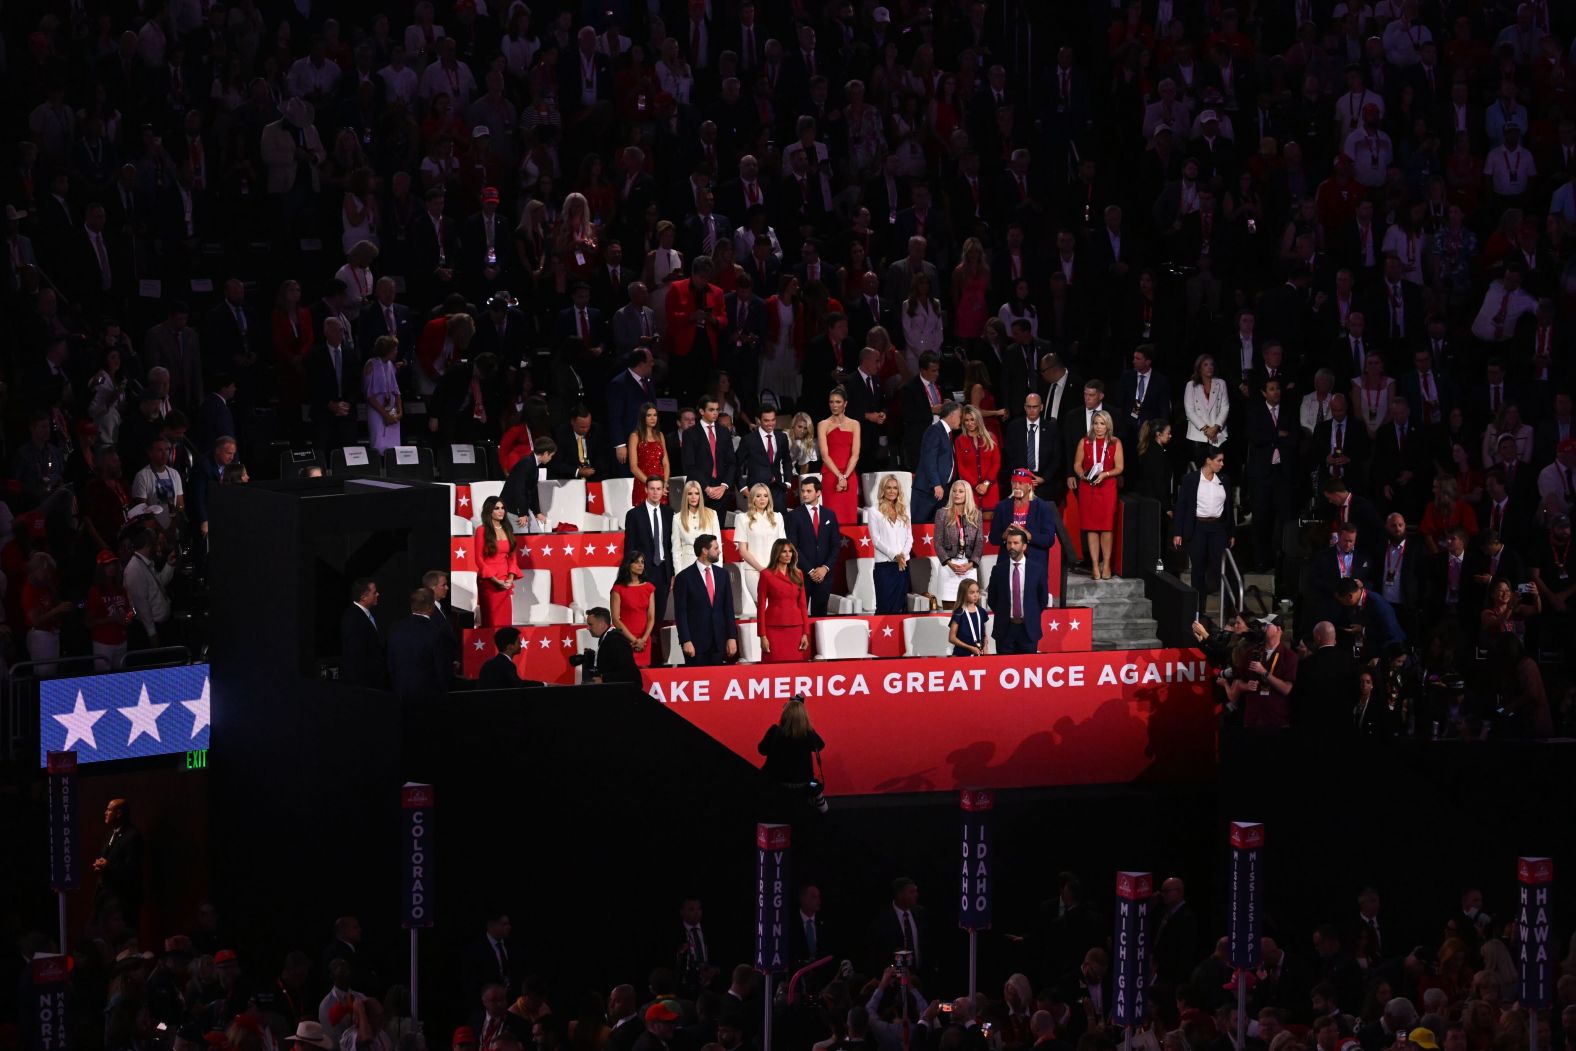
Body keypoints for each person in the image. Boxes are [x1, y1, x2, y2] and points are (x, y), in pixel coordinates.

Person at [1173, 448, 1235, 604]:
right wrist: (1178, 532)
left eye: (1222, 460)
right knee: (1198, 568)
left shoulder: (1224, 479)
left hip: (1218, 528)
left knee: (1222, 567)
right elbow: (1182, 506)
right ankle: (1198, 610)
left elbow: (1229, 507)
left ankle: (1230, 609)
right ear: (1208, 460)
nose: (1222, 464)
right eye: (1218, 460)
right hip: (1198, 528)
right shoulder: (1190, 479)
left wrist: (1231, 532)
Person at [1072, 409, 1123, 580]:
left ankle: (1106, 564)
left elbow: (1119, 467)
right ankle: (1094, 565)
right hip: (1088, 489)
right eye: (1096, 423)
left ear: (1108, 425)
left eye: (1102, 423)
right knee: (1091, 528)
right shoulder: (1084, 442)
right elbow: (1077, 465)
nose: (1099, 427)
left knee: (1107, 528)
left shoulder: (1115, 442)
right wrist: (1082, 475)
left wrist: (1105, 474)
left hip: (1107, 488)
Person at [673, 535, 738, 665]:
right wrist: (686, 640)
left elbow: (728, 609)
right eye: (716, 548)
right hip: (695, 645)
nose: (719, 551)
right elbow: (681, 613)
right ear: (705, 550)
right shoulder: (684, 577)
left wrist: (732, 637)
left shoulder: (722, 575)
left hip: (719, 642)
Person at [786, 478, 841, 617]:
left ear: (818, 493)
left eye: (809, 491)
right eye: (803, 491)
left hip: (825, 575)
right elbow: (793, 546)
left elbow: (835, 545)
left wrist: (825, 568)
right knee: (799, 615)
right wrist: (810, 570)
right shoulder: (794, 516)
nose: (804, 494)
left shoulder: (830, 515)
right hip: (802, 574)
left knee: (820, 615)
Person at [989, 527, 1048, 655]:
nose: (1011, 546)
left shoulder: (1037, 569)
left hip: (1028, 630)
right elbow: (992, 599)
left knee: (1028, 670)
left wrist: (1030, 614)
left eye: (1016, 543)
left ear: (1024, 546)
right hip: (1005, 630)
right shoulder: (998, 570)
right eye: (1009, 543)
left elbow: (1042, 599)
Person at [387, 587, 454, 698]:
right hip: (428, 697)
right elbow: (441, 670)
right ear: (430, 606)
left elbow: (391, 663)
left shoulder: (396, 628)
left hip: (400, 693)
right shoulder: (436, 633)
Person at [757, 696, 825, 797]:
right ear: (804, 715)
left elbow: (761, 750)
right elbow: (820, 745)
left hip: (776, 783)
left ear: (785, 714)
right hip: (802, 784)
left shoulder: (775, 731)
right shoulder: (808, 733)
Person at [933, 480, 985, 609]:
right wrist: (950, 564)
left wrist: (971, 564)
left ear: (967, 494)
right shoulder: (942, 513)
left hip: (969, 568)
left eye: (961, 491)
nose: (957, 494)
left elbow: (979, 542)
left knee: (969, 610)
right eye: (954, 491)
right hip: (948, 568)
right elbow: (938, 542)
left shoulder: (976, 514)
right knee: (950, 613)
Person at [756, 539, 810, 662]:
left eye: (790, 551)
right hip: (773, 629)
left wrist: (805, 633)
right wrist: (762, 636)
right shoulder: (766, 575)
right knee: (773, 668)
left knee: (795, 668)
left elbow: (803, 605)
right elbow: (761, 607)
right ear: (777, 554)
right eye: (784, 552)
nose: (788, 555)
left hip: (795, 628)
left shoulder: (798, 574)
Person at [625, 477, 675, 607]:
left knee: (659, 613)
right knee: (644, 612)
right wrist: (632, 574)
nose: (655, 492)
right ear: (646, 489)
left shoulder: (670, 513)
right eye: (652, 489)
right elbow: (629, 547)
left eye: (659, 489)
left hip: (664, 571)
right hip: (643, 571)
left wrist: (673, 573)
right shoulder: (634, 514)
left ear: (663, 490)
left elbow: (671, 545)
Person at [681, 396, 737, 514]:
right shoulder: (690, 434)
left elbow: (732, 462)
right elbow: (689, 465)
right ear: (701, 411)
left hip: (721, 492)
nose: (715, 413)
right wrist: (707, 488)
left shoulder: (724, 432)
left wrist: (723, 486)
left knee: (718, 530)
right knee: (698, 530)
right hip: (698, 491)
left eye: (717, 409)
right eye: (711, 410)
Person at [93, 797, 144, 925]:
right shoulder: (111, 833)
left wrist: (108, 866)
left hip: (122, 900)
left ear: (119, 813)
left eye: (109, 810)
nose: (105, 812)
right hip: (106, 897)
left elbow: (132, 868)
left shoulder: (132, 836)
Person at [816, 387, 861, 524]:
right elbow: (824, 455)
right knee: (831, 516)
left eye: (838, 402)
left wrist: (845, 476)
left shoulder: (854, 424)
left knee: (849, 516)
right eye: (831, 402)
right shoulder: (823, 424)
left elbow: (855, 454)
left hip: (849, 475)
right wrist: (839, 477)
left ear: (845, 404)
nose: (834, 405)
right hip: (831, 475)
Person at [869, 474, 913, 614]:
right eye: (888, 488)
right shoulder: (874, 511)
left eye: (895, 488)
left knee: (900, 606)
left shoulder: (904, 510)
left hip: (903, 565)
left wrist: (902, 556)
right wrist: (895, 556)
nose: (892, 491)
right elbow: (876, 540)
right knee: (884, 606)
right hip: (885, 566)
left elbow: (909, 538)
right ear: (883, 489)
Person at [912, 400, 962, 522]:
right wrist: (936, 484)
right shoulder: (935, 430)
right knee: (919, 527)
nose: (961, 420)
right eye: (960, 416)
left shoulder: (947, 434)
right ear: (952, 415)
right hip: (928, 491)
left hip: (941, 491)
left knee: (937, 529)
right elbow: (929, 460)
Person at [84, 550, 133, 669]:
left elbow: (130, 611)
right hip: (103, 643)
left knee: (121, 677)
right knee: (103, 679)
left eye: (113, 564)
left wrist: (129, 618)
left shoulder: (121, 589)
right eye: (107, 565)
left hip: (122, 640)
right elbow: (88, 622)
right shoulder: (95, 591)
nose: (111, 567)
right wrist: (110, 619)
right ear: (101, 568)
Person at [1334, 577, 1405, 659]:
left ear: (1350, 596)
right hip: (1363, 649)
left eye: (1340, 600)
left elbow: (1389, 632)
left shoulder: (1377, 604)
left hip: (1389, 651)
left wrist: (1363, 630)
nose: (1340, 603)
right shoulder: (1351, 604)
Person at [474, 495, 518, 627]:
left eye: (503, 508)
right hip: (489, 582)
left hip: (505, 581)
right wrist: (495, 580)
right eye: (497, 508)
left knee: (505, 623)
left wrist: (510, 578)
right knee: (491, 624)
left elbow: (512, 557)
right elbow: (479, 559)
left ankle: (504, 648)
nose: (501, 511)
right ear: (489, 511)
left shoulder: (508, 529)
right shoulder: (481, 530)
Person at [610, 551, 657, 667]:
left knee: (644, 675)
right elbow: (615, 619)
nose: (641, 565)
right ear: (628, 565)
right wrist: (634, 640)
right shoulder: (618, 589)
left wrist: (643, 639)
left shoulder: (649, 588)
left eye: (642, 562)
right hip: (626, 639)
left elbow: (651, 617)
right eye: (637, 562)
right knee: (626, 673)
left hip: (644, 639)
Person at [500, 437, 557, 530]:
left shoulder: (534, 464)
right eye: (551, 456)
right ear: (546, 453)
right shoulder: (526, 464)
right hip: (513, 509)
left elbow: (533, 490)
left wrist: (537, 512)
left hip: (523, 508)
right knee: (524, 538)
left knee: (536, 534)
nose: (551, 458)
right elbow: (518, 490)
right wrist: (521, 513)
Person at [338, 577, 384, 687]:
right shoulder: (353, 618)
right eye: (374, 592)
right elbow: (355, 656)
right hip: (363, 684)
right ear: (363, 596)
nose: (378, 594)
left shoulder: (364, 614)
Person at [363, 335, 402, 453]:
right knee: (379, 442)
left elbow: (396, 391)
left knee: (393, 446)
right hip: (377, 409)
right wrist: (385, 415)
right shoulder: (371, 364)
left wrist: (400, 412)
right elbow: (369, 395)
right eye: (394, 349)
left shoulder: (390, 365)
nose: (396, 352)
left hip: (392, 409)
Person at [672, 480, 722, 573]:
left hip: (708, 566)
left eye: (696, 493)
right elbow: (676, 550)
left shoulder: (712, 514)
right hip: (686, 567)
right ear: (685, 496)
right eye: (690, 494)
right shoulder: (677, 518)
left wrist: (718, 571)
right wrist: (678, 574)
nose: (693, 497)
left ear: (700, 496)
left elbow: (717, 545)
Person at [584, 607, 639, 684]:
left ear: (602, 625)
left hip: (625, 693)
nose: (588, 628)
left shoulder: (616, 640)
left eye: (590, 624)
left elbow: (630, 674)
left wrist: (604, 679)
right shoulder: (606, 638)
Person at [627, 402, 670, 496]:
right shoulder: (635, 436)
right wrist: (651, 485)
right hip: (643, 484)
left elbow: (666, 463)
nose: (653, 418)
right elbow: (633, 467)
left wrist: (665, 483)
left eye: (655, 415)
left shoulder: (660, 435)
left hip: (661, 486)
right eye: (649, 415)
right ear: (643, 417)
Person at [948, 578, 990, 656]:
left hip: (979, 654)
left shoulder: (981, 611)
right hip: (962, 655)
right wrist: (970, 647)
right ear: (964, 594)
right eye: (972, 592)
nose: (976, 595)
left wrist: (985, 646)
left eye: (977, 592)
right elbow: (952, 638)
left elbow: (983, 633)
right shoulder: (959, 613)